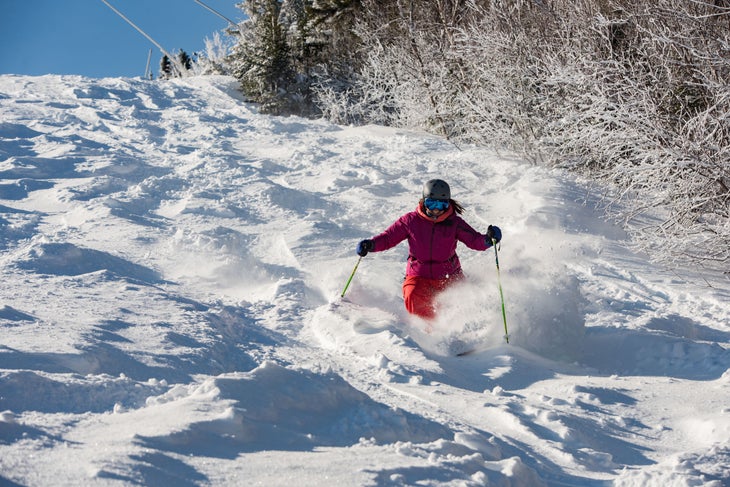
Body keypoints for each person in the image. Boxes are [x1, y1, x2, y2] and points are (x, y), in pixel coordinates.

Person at [356, 179, 501, 321]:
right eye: (431, 203)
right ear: (423, 201)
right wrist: (371, 244)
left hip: (449, 275)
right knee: (413, 295)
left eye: (442, 204)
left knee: (462, 305)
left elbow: (474, 240)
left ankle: (460, 336)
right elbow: (388, 238)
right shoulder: (410, 221)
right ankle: (425, 333)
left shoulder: (454, 223)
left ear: (448, 203)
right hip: (419, 275)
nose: (436, 209)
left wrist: (488, 240)